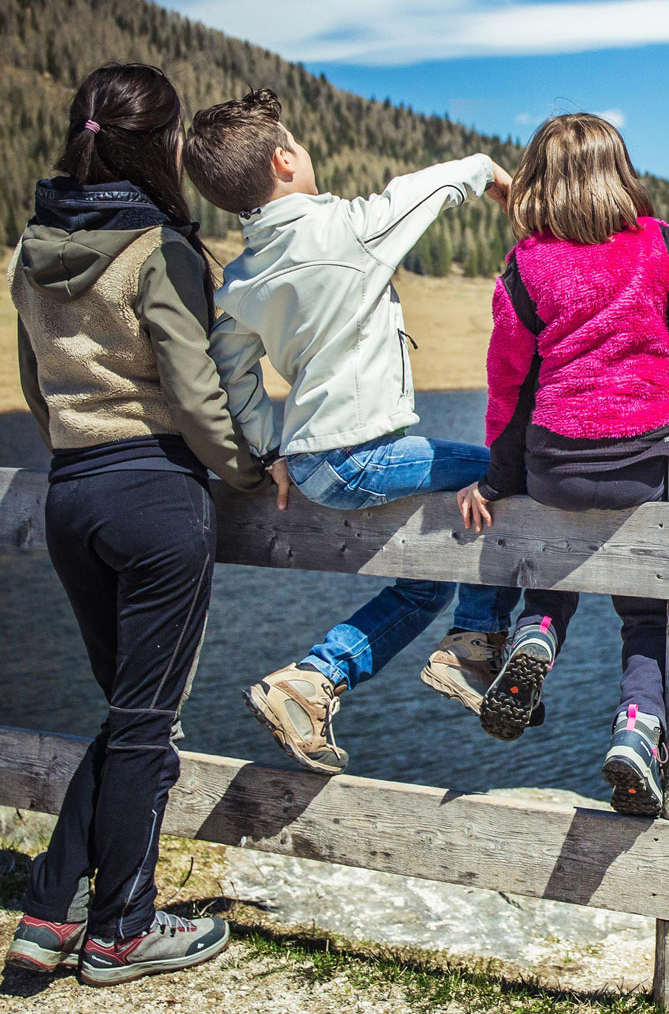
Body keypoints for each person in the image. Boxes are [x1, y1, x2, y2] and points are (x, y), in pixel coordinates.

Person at [5, 63, 270, 986]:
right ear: (162, 144)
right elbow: (195, 394)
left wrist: (80, 453)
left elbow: (37, 387)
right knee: (146, 723)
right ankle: (121, 929)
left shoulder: (34, 244)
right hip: (154, 497)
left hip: (71, 494)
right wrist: (250, 470)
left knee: (130, 715)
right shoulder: (162, 248)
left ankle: (51, 909)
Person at [182, 87, 527, 777]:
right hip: (360, 455)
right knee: (498, 475)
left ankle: (311, 682)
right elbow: (425, 190)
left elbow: (229, 369)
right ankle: (475, 642)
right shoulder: (349, 229)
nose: (303, 149)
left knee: (425, 582)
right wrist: (491, 174)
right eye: (297, 143)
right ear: (284, 160)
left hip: (315, 463)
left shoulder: (244, 276)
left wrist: (269, 449)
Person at [436, 112, 669, 818]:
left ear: (537, 183)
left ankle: (535, 634)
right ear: (621, 175)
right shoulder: (664, 245)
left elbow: (508, 386)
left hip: (555, 464)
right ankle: (637, 729)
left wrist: (498, 479)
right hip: (645, 464)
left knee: (554, 569)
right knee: (645, 614)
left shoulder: (525, 266)